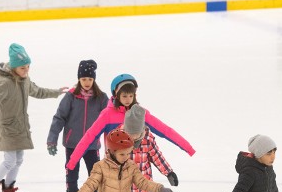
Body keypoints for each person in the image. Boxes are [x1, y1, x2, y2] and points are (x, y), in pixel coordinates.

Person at [0, 43, 66, 192]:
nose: (26, 70)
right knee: (10, 161)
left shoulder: (25, 80)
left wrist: (56, 92)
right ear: (14, 67)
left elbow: (38, 91)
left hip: (21, 127)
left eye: (28, 66)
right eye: (23, 68)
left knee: (19, 160)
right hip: (7, 128)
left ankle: (7, 191)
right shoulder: (5, 84)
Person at [65, 73, 195, 172]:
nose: (128, 100)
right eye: (124, 96)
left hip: (136, 168)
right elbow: (89, 137)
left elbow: (165, 130)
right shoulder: (107, 115)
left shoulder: (140, 113)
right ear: (116, 94)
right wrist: (72, 162)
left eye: (131, 96)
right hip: (114, 167)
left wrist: (188, 148)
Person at [46, 60, 109, 192]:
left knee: (95, 175)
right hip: (73, 144)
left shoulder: (101, 98)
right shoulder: (71, 96)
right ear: (79, 79)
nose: (87, 83)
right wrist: (52, 140)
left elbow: (109, 117)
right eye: (83, 79)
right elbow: (59, 118)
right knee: (72, 174)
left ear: (94, 80)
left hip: (92, 145)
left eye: (89, 79)